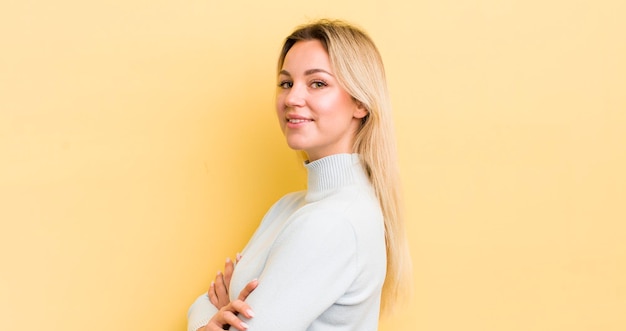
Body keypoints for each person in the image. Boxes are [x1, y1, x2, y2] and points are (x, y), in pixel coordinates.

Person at [187, 18, 412, 331]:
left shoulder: (334, 221)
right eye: (286, 83)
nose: (292, 98)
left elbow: (214, 309)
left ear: (360, 102)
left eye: (317, 83)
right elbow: (210, 304)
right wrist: (211, 314)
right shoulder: (289, 208)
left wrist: (209, 318)